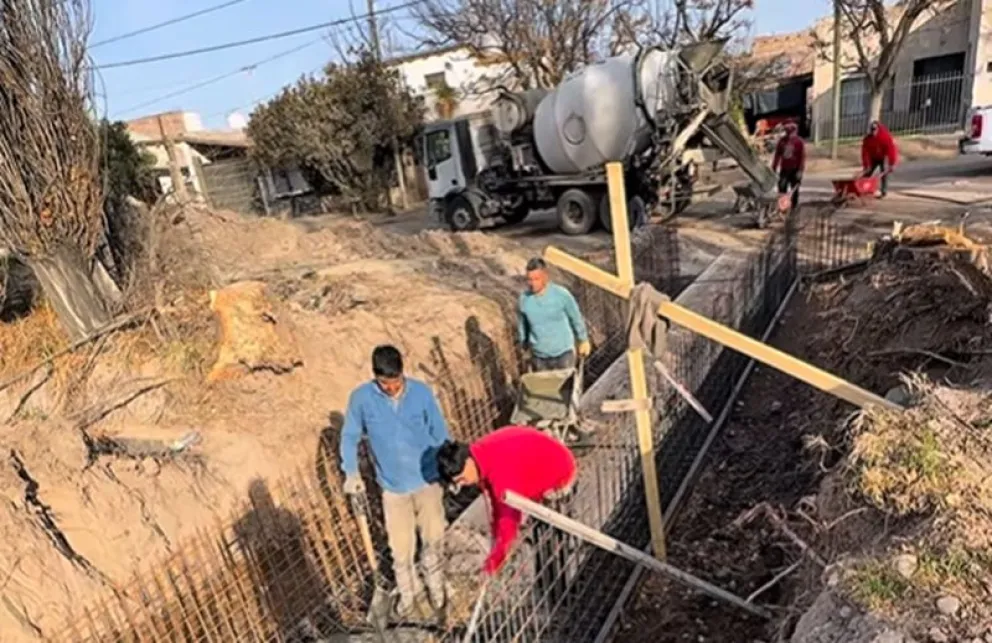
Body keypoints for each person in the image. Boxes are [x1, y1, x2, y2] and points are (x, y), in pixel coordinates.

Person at [339, 345, 449, 617]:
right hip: (393, 489)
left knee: (433, 540)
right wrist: (351, 472)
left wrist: (448, 467)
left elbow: (439, 432)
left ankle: (436, 587)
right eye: (384, 383)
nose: (391, 388)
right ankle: (409, 595)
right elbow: (349, 436)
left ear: (403, 373)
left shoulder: (421, 393)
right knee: (400, 550)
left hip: (427, 481)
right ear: (375, 376)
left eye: (396, 382)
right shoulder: (362, 399)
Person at [436, 426, 577, 575]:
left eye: (462, 479)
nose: (463, 484)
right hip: (548, 457)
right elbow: (495, 500)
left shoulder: (501, 476)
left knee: (541, 538)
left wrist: (493, 564)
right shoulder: (480, 453)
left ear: (468, 462)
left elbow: (508, 520)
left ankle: (556, 563)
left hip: (560, 475)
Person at [518, 257, 591, 372]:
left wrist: (583, 339)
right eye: (529, 280)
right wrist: (524, 346)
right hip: (539, 356)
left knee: (566, 382)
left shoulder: (561, 295)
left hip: (564, 353)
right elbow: (523, 325)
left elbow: (575, 317)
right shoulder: (525, 300)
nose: (532, 284)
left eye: (536, 279)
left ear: (545, 277)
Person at [771, 121, 805, 211]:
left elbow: (802, 157)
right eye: (786, 130)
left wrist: (800, 171)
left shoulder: (798, 142)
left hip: (795, 169)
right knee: (782, 187)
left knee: (794, 189)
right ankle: (783, 207)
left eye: (790, 131)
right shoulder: (782, 141)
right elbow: (777, 155)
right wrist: (774, 167)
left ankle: (794, 207)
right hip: (785, 169)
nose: (789, 133)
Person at [861, 120, 898, 198]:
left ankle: (883, 191)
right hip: (873, 157)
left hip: (883, 157)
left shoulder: (885, 137)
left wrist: (892, 163)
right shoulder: (867, 140)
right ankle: (862, 188)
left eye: (875, 129)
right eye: (872, 130)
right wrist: (866, 165)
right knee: (867, 173)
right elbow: (865, 154)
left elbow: (891, 150)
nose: (873, 132)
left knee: (884, 173)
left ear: (878, 129)